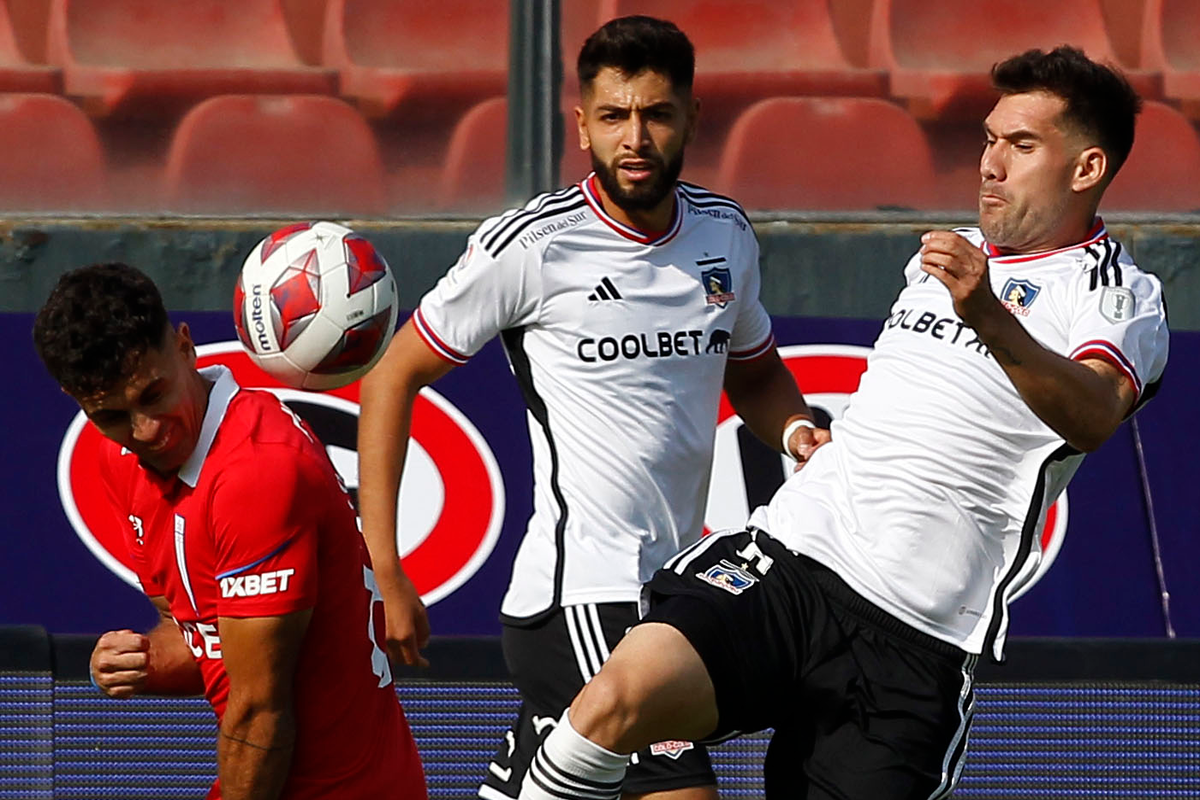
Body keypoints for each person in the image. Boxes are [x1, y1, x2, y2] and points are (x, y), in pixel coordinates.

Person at [514, 46, 1171, 800]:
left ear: (1085, 169)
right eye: (989, 139)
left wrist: (985, 309)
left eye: (1022, 146)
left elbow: (1092, 417)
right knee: (614, 699)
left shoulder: (1118, 296)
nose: (991, 164)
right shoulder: (940, 259)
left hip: (916, 637)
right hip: (792, 560)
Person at [356, 15, 822, 800]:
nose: (634, 137)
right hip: (583, 593)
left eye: (655, 113)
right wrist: (387, 567)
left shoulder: (724, 235)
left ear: (691, 119)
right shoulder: (532, 247)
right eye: (613, 116)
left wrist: (799, 429)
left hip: (675, 588)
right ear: (582, 126)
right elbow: (388, 380)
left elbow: (758, 372)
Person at [32, 263, 427, 800]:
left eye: (153, 395)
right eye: (112, 416)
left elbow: (261, 711)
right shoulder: (119, 459)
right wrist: (145, 662)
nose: (146, 432)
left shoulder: (258, 473)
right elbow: (199, 635)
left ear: (186, 346)